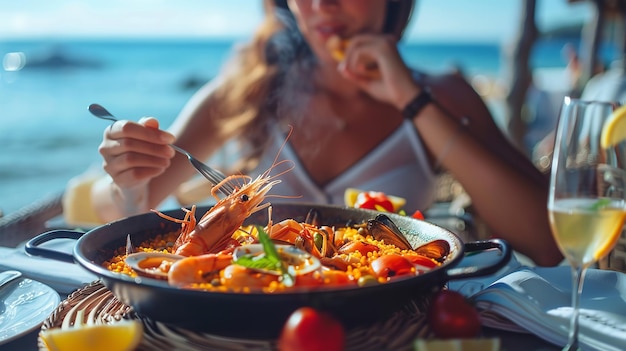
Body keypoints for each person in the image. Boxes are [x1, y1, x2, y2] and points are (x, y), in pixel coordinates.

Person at [73, 0, 561, 266]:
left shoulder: (444, 94)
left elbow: (546, 240)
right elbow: (127, 203)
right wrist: (127, 174)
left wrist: (411, 99)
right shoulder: (249, 86)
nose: (322, 5)